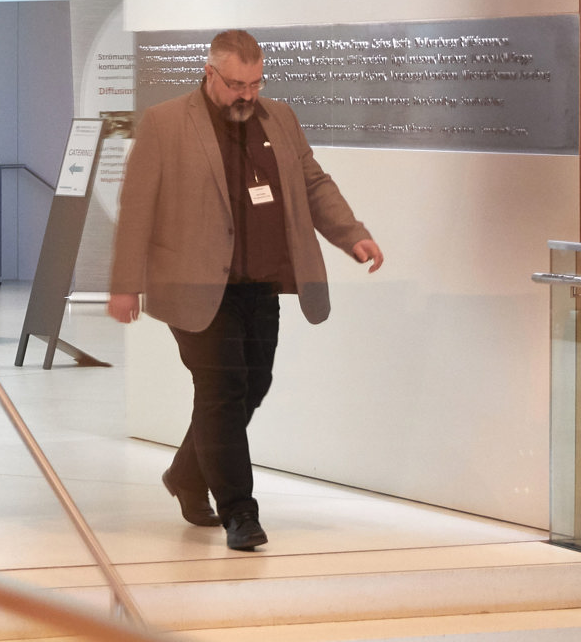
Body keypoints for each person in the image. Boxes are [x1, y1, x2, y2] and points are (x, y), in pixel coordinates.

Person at [108, 29, 384, 553]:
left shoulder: (279, 118)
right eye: (237, 84)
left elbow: (312, 182)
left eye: (255, 83)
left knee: (252, 385)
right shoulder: (166, 122)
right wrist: (125, 285)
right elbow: (137, 206)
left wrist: (352, 234)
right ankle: (239, 511)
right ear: (209, 73)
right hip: (193, 283)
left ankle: (186, 475)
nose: (247, 94)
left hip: (261, 281)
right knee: (221, 391)